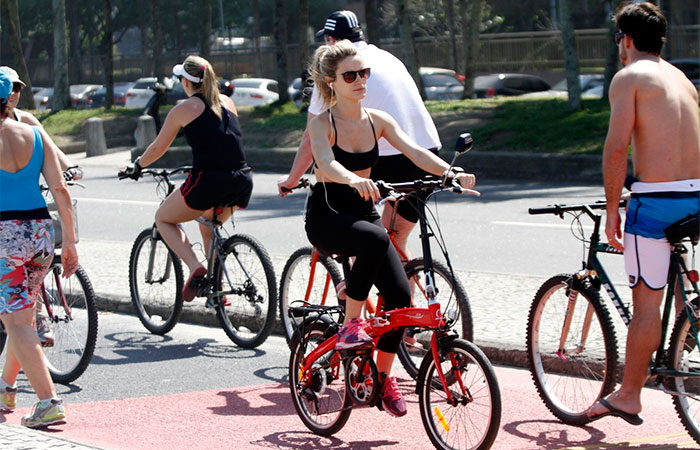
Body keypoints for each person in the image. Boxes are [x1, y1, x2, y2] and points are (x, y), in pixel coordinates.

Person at [304, 40, 476, 418]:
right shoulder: (322, 123)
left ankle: (382, 380)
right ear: (333, 82)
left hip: (364, 217)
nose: (361, 80)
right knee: (377, 236)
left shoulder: (377, 119)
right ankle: (351, 324)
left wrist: (451, 173)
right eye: (351, 75)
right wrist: (352, 179)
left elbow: (415, 152)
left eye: (365, 73)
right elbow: (327, 163)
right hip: (328, 218)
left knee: (400, 301)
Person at [587, 2, 700, 425]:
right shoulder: (681, 78)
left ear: (627, 39)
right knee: (676, 281)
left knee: (645, 301)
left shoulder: (630, 76)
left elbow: (617, 149)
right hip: (697, 195)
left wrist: (614, 208)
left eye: (618, 38)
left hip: (657, 202)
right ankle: (682, 337)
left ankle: (630, 395)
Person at [278, 10, 442, 264]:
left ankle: (354, 288)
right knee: (395, 244)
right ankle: (402, 298)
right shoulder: (387, 57)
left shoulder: (338, 70)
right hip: (427, 153)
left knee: (361, 236)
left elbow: (311, 139)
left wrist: (291, 180)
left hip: (385, 157)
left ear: (332, 41)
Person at [120, 55, 253, 303]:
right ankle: (217, 292)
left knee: (163, 218)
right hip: (242, 180)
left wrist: (137, 165)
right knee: (207, 226)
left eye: (181, 78)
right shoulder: (227, 102)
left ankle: (195, 267)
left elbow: (158, 148)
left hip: (208, 182)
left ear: (187, 82)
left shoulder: (184, 108)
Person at [0, 68, 78, 428]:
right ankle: (5, 388)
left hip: (5, 237)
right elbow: (60, 190)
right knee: (25, 317)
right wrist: (71, 243)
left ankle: (48, 402)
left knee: (15, 321)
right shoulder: (34, 132)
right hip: (41, 232)